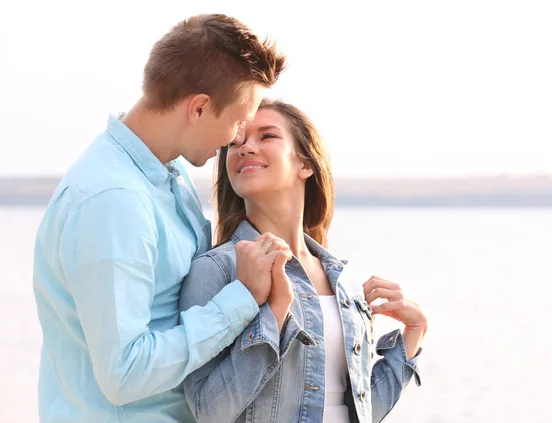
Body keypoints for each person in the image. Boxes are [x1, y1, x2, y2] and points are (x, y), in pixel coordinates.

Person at [32, 14, 288, 423]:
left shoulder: (167, 173)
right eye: (239, 120)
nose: (239, 137)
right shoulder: (113, 202)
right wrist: (240, 298)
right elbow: (125, 373)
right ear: (200, 108)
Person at [179, 100, 427, 423]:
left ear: (305, 164)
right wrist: (273, 314)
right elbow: (208, 412)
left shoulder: (345, 283)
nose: (245, 147)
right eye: (236, 142)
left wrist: (413, 335)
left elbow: (355, 411)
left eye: (266, 136)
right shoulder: (217, 270)